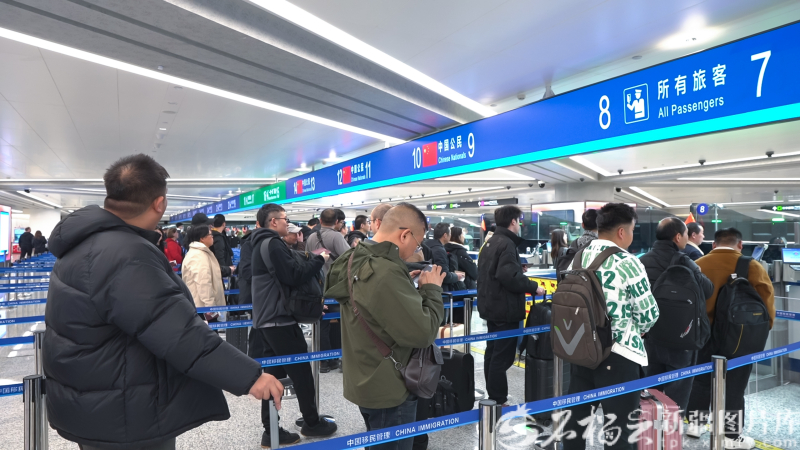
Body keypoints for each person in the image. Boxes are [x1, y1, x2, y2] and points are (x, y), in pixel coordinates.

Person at [42, 154, 283, 450]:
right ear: (160, 203)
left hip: (94, 401)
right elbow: (178, 332)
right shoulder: (127, 254)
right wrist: (249, 376)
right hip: (126, 413)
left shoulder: (82, 244)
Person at [325, 203, 446, 450]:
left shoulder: (354, 257)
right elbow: (424, 333)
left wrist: (403, 286)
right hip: (391, 387)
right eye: (418, 243)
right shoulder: (386, 271)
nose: (416, 250)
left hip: (366, 375)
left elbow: (374, 304)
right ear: (405, 235)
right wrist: (432, 290)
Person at [561, 203, 660, 450]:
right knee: (620, 430)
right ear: (621, 232)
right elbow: (649, 313)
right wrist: (640, 329)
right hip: (619, 355)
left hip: (582, 349)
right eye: (632, 230)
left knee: (575, 424)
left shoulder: (578, 257)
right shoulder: (628, 262)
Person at [249, 203, 337, 446]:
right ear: (273, 222)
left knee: (272, 377)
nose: (287, 223)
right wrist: (319, 260)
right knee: (301, 373)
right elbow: (294, 275)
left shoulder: (258, 244)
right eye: (285, 219)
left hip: (266, 319)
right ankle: (312, 423)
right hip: (279, 320)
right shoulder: (273, 243)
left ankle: (270, 431)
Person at [687, 228, 775, 449]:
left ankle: (695, 424)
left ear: (714, 245)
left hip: (703, 335)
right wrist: (759, 332)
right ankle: (731, 436)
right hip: (739, 336)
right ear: (740, 245)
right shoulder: (752, 266)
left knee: (700, 380)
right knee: (735, 386)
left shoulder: (698, 264)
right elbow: (767, 303)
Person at [638, 217, 713, 416]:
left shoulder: (641, 261)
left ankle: (650, 430)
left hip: (652, 334)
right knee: (677, 395)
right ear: (678, 237)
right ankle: (671, 430)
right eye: (686, 235)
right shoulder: (685, 261)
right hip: (682, 336)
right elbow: (708, 290)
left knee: (650, 390)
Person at [477, 205, 545, 406]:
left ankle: (493, 396)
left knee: (492, 352)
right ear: (513, 221)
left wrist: (516, 268)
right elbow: (509, 277)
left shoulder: (490, 242)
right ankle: (498, 399)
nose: (520, 225)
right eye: (519, 221)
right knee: (503, 356)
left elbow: (496, 271)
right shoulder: (507, 243)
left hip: (491, 306)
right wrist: (534, 287)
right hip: (504, 309)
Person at [305, 208, 351, 372]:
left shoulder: (311, 237)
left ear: (320, 220)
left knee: (322, 325)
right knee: (340, 324)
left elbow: (307, 258)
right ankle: (337, 358)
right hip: (335, 287)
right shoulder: (336, 236)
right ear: (337, 222)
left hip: (317, 287)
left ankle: (323, 361)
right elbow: (350, 257)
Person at [182, 225, 226, 322]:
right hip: (203, 308)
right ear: (202, 238)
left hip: (202, 305)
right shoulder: (198, 256)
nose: (212, 236)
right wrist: (210, 305)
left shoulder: (202, 253)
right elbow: (203, 282)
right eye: (210, 234)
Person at [424, 222, 465, 292]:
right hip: (438, 289)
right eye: (450, 233)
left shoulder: (427, 246)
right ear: (445, 235)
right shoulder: (439, 250)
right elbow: (443, 274)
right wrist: (456, 276)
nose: (451, 235)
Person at [211, 214, 235, 279]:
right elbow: (220, 255)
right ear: (224, 224)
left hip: (214, 269)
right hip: (220, 271)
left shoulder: (212, 235)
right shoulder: (219, 238)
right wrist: (225, 270)